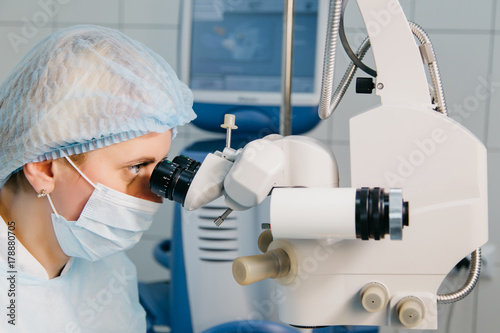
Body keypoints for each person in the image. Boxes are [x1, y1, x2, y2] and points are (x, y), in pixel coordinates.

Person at [0, 25, 196, 332]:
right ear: (44, 168)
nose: (155, 196)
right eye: (135, 167)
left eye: (159, 167)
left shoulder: (106, 267)